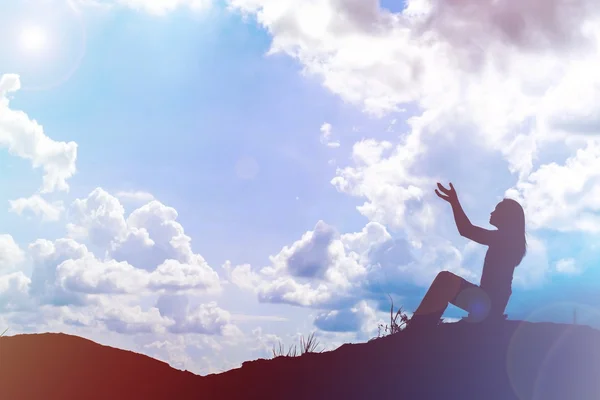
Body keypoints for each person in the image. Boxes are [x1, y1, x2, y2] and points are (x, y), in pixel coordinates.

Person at [406, 182, 527, 330]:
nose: (492, 213)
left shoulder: (503, 239)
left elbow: (466, 230)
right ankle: (419, 329)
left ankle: (417, 330)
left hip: (489, 304)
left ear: (506, 217)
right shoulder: (508, 240)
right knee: (446, 280)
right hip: (489, 303)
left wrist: (454, 202)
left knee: (445, 280)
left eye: (496, 210)